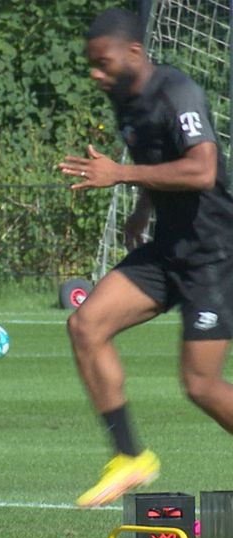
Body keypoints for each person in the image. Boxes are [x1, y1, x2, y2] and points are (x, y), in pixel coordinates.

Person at [59, 8, 233, 508]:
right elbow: (156, 162)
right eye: (91, 65)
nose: (96, 74)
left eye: (104, 63)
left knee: (200, 384)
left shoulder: (179, 92)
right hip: (167, 249)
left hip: (214, 255)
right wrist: (140, 211)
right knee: (85, 326)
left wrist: (120, 176)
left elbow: (201, 170)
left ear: (135, 53)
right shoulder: (123, 98)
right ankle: (130, 456)